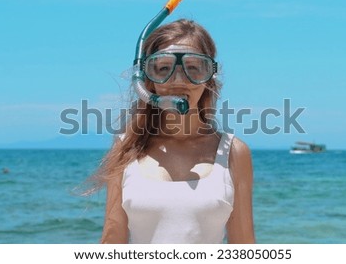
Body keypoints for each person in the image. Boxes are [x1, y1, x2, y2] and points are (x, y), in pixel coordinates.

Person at [94, 19, 255, 244]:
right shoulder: (126, 147)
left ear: (209, 77)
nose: (178, 81)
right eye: (163, 68)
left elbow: (245, 248)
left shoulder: (233, 153)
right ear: (147, 81)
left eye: (193, 68)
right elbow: (112, 244)